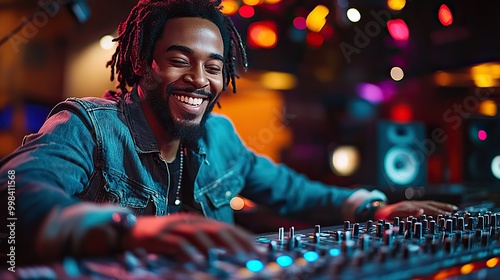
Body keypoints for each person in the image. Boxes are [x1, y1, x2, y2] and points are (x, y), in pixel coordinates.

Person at [0, 0, 457, 265]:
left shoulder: (221, 136)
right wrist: (125, 229)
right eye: (180, 60)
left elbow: (294, 192)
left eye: (214, 67)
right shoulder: (88, 126)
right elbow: (14, 192)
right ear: (142, 63)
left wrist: (377, 208)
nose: (199, 79)